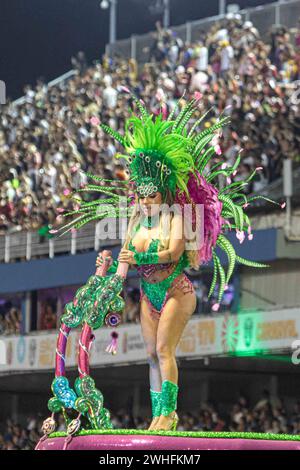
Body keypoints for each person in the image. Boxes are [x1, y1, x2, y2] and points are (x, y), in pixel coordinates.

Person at [54, 90, 283, 433]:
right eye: (142, 196)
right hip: (149, 293)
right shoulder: (135, 220)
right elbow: (124, 263)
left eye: (152, 195)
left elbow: (173, 253)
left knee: (164, 349)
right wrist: (106, 269)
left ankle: (170, 414)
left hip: (177, 290)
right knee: (149, 353)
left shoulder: (175, 217)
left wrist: (140, 256)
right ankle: (156, 415)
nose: (146, 202)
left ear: (163, 193)